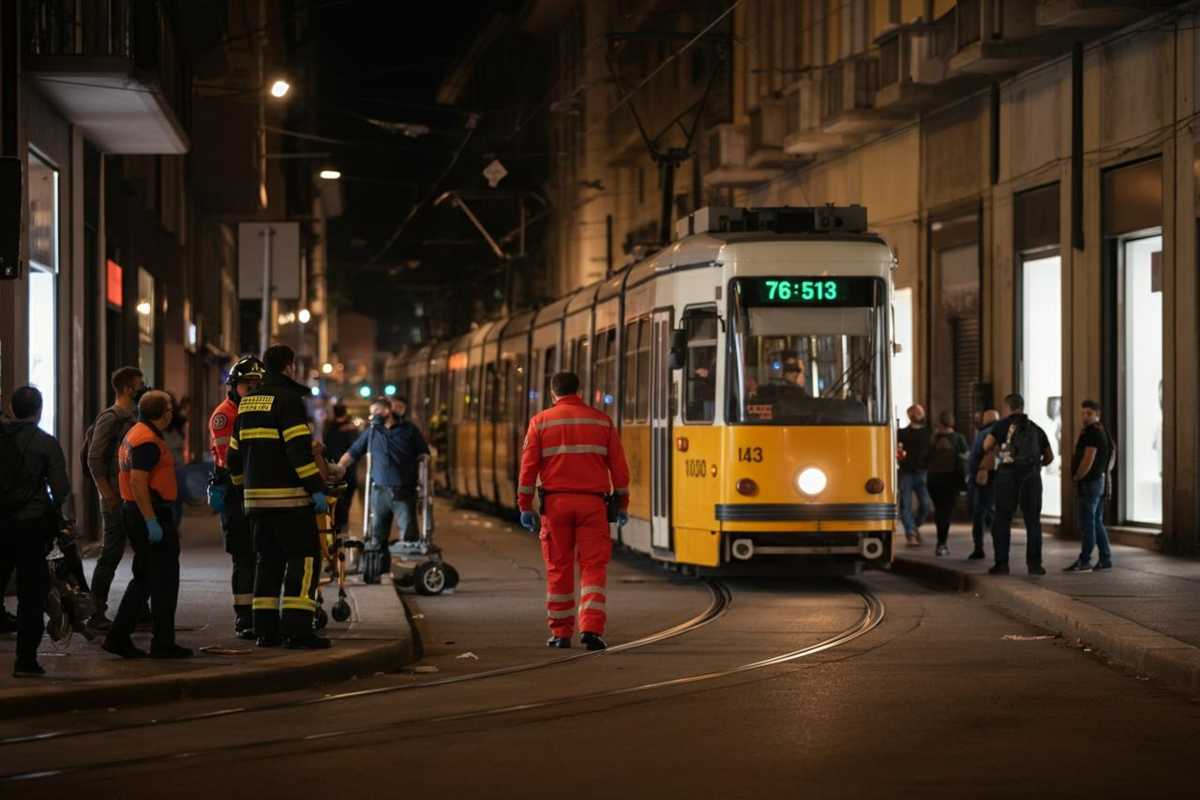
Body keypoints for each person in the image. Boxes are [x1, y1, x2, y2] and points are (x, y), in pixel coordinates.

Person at [517, 371, 630, 651]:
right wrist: (622, 503)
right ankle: (591, 629)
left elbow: (528, 469)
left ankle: (561, 633)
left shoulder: (540, 422)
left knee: (559, 568)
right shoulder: (601, 421)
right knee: (594, 567)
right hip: (593, 505)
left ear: (553, 393)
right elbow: (619, 468)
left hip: (556, 506)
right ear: (579, 391)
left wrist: (524, 505)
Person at [227, 344, 330, 649]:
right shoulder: (289, 400)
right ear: (288, 366)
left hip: (256, 505)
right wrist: (316, 488)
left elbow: (233, 458)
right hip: (290, 502)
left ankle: (265, 631)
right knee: (304, 559)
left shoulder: (246, 404)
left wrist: (244, 491)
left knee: (267, 563)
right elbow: (298, 452)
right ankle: (297, 631)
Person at [101, 390, 192, 659]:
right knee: (164, 580)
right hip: (150, 513)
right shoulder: (147, 441)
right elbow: (138, 481)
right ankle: (162, 643)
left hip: (139, 512)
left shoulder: (135, 433)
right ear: (162, 414)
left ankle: (118, 637)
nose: (172, 413)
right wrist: (152, 520)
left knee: (145, 579)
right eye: (169, 409)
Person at [1, 387, 71, 677]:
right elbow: (61, 488)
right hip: (31, 526)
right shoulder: (46, 443)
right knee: (31, 593)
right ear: (39, 410)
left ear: (13, 410)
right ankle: (25, 661)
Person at [334, 396, 430, 583]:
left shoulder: (409, 430)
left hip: (404, 491)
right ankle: (378, 570)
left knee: (408, 536)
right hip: (379, 492)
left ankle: (410, 572)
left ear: (387, 411)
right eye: (371, 413)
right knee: (377, 535)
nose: (373, 416)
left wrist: (425, 480)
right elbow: (354, 452)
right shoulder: (372, 432)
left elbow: (424, 454)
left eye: (376, 412)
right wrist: (340, 467)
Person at [207, 356, 265, 638]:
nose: (252, 389)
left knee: (260, 554)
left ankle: (261, 613)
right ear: (234, 386)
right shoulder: (225, 415)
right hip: (234, 490)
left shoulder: (254, 410)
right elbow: (229, 459)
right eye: (247, 384)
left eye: (256, 384)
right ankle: (244, 615)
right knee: (243, 555)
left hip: (254, 489)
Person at [86, 366, 146, 629]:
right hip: (115, 497)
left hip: (131, 496)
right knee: (111, 553)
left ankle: (140, 610)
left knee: (142, 552)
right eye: (139, 385)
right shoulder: (111, 418)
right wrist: (107, 494)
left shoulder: (133, 417)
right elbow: (94, 458)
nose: (143, 389)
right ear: (127, 389)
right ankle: (96, 612)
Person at [979, 393, 1054, 576]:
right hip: (1032, 479)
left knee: (1002, 520)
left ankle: (1002, 564)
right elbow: (1049, 457)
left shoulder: (1001, 426)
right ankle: (1035, 565)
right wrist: (1035, 465)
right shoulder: (1036, 428)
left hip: (1007, 477)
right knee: (1033, 522)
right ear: (1022, 406)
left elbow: (986, 446)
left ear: (1007, 407)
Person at [1064, 400, 1115, 573]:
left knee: (1087, 524)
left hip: (1090, 483)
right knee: (1096, 522)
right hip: (1098, 482)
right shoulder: (1102, 430)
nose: (1084, 416)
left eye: (1089, 413)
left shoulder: (1092, 432)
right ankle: (1105, 558)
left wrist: (1077, 476)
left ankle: (1085, 560)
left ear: (1097, 414)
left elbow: (1088, 458)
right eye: (1083, 413)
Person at [927, 411, 968, 557]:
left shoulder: (933, 439)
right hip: (951, 479)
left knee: (939, 510)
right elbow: (965, 458)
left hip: (933, 478)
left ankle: (941, 543)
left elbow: (925, 458)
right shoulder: (958, 438)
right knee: (946, 511)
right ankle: (942, 544)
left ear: (939, 423)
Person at [896, 404, 933, 546]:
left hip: (922, 472)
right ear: (910, 415)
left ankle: (913, 526)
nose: (920, 414)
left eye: (921, 412)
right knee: (905, 504)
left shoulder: (928, 433)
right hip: (906, 472)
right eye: (917, 412)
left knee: (926, 505)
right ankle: (910, 533)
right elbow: (897, 450)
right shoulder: (902, 433)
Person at [966, 409, 1000, 560]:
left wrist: (982, 469)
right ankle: (998, 547)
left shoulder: (987, 432)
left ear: (986, 419)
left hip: (985, 478)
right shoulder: (1000, 431)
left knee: (980, 514)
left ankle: (979, 548)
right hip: (993, 478)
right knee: (990, 512)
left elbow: (989, 451)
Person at [322, 403, 360, 534]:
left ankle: (337, 523)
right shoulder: (351, 429)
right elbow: (356, 449)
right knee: (347, 497)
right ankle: (343, 523)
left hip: (333, 467)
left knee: (336, 497)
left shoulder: (329, 428)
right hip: (348, 468)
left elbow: (326, 447)